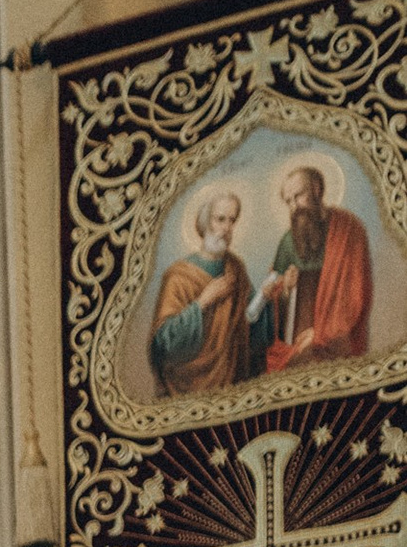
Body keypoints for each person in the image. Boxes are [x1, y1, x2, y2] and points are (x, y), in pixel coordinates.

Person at [258, 157, 373, 370]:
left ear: (317, 189)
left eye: (298, 196)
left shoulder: (348, 230)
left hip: (336, 337)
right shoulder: (287, 241)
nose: (294, 206)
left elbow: (356, 295)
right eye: (288, 201)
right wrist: (285, 290)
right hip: (297, 339)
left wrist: (321, 333)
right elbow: (274, 305)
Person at [150, 188, 252, 399]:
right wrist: (203, 302)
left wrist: (270, 296)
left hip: (232, 382)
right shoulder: (178, 276)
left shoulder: (236, 268)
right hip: (187, 387)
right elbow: (164, 343)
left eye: (232, 220)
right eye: (220, 219)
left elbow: (251, 323)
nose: (226, 228)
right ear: (206, 222)